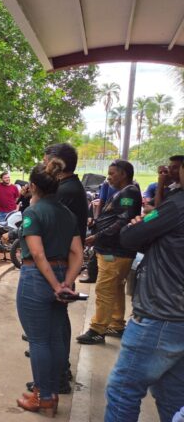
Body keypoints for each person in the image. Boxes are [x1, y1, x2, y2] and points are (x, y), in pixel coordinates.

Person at [104, 162, 184, 421]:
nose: (174, 170)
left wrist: (140, 225)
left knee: (123, 388)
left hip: (162, 313)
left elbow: (130, 235)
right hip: (175, 314)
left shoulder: (176, 206)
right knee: (172, 393)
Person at [15, 158, 83, 416]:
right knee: (55, 339)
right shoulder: (67, 213)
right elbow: (77, 252)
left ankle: (43, 398)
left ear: (33, 186)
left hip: (36, 278)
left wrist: (55, 284)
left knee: (39, 341)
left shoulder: (33, 213)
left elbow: (38, 254)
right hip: (60, 272)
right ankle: (50, 392)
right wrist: (66, 281)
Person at [76, 160, 141, 346]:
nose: (109, 177)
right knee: (116, 287)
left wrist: (97, 236)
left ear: (124, 174)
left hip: (115, 251)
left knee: (104, 289)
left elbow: (122, 221)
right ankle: (116, 323)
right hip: (113, 249)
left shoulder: (130, 192)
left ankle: (97, 330)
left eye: (112, 173)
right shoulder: (124, 191)